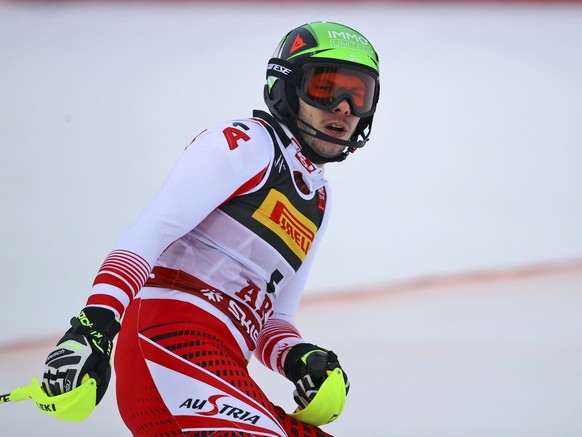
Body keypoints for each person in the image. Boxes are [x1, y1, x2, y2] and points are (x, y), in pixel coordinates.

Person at [41, 21, 380, 436]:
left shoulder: (318, 201)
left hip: (222, 365)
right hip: (168, 343)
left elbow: (272, 318)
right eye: (327, 88)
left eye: (359, 94)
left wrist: (298, 357)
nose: (344, 107)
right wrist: (92, 328)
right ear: (288, 89)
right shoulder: (249, 144)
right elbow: (151, 233)